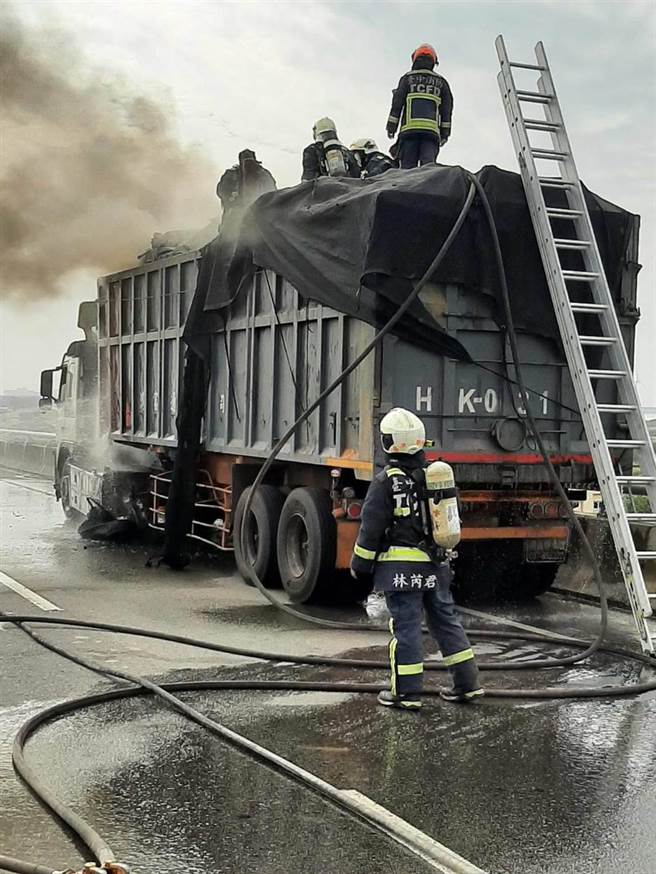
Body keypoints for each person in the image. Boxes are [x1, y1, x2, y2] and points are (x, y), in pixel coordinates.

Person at [351, 408, 483, 711]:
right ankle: (467, 685)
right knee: (446, 622)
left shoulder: (385, 482)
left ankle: (407, 693)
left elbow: (371, 530)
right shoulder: (436, 476)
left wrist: (359, 566)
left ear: (388, 442)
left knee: (406, 628)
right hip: (436, 566)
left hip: (401, 572)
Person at [386, 43, 453, 170]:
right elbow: (446, 110)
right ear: (433, 61)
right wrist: (445, 134)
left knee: (407, 172)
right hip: (430, 135)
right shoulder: (442, 83)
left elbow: (397, 105)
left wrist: (391, 127)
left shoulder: (407, 79)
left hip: (409, 133)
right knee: (427, 171)